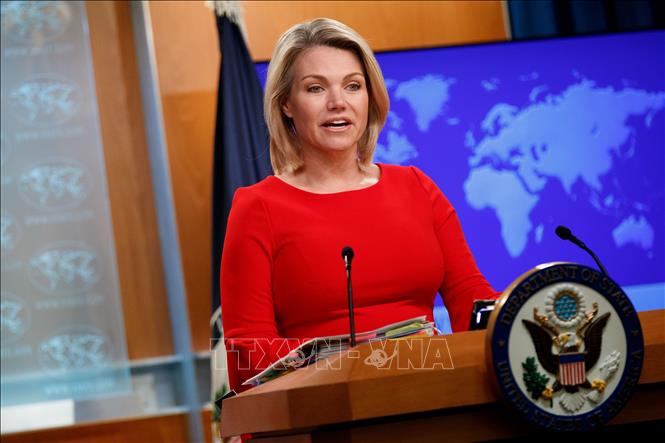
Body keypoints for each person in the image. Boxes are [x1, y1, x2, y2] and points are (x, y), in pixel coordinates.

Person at [220, 18, 497, 393]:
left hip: (433, 394)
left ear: (370, 97)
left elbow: (472, 301)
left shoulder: (416, 187)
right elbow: (248, 355)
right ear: (286, 103)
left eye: (353, 86)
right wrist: (361, 364)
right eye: (316, 88)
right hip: (322, 406)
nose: (338, 103)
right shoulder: (257, 207)